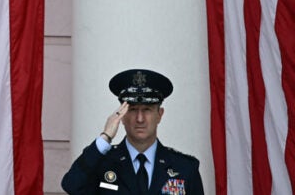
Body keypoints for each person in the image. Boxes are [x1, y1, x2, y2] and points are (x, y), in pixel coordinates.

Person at [61, 68, 204, 194]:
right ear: (122, 116)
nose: (140, 119)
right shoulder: (103, 164)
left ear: (160, 114)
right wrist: (105, 138)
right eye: (133, 109)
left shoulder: (184, 168)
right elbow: (72, 186)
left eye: (147, 109)